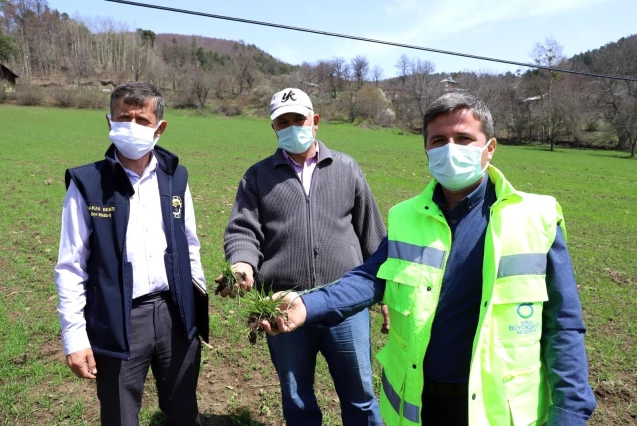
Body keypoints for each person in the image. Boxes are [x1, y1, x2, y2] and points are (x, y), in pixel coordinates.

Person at [265, 92, 597, 426]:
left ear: (490, 147)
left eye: (464, 138)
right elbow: (369, 278)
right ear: (426, 149)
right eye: (439, 140)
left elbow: (564, 324)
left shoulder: (535, 217)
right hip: (421, 404)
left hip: (499, 412)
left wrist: (569, 412)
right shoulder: (406, 217)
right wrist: (306, 305)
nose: (450, 148)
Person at [222, 88, 386, 425]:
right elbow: (243, 229)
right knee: (297, 398)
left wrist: (387, 288)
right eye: (283, 121)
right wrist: (241, 262)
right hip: (282, 303)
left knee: (360, 396)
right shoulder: (258, 176)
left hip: (345, 301)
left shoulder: (345, 167)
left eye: (299, 119)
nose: (292, 126)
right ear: (274, 128)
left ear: (315, 121)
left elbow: (373, 232)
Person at [54, 82, 206, 425]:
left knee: (184, 410)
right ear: (110, 122)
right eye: (125, 118)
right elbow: (70, 266)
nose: (132, 127)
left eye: (142, 119)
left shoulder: (176, 177)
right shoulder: (87, 184)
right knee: (120, 415)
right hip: (118, 319)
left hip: (174, 315)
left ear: (159, 128)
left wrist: (197, 309)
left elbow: (189, 244)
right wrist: (74, 337)